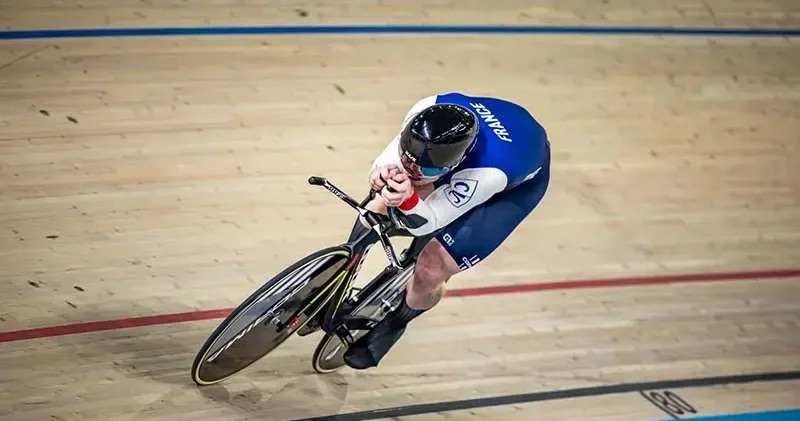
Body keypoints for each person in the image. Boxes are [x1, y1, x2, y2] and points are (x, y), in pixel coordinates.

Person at [304, 92, 552, 369]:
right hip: (466, 148)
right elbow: (385, 168)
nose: (414, 170)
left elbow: (428, 221)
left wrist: (409, 200)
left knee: (430, 269)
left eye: (424, 167)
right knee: (379, 204)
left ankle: (396, 322)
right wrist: (382, 177)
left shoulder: (488, 173)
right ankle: (343, 269)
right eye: (410, 160)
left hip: (511, 188)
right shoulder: (424, 109)